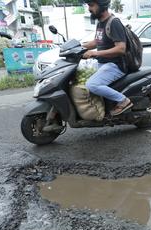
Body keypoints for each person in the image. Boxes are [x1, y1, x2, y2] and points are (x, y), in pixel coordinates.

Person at [43, 0, 132, 132]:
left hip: (115, 65)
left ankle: (123, 101)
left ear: (101, 5)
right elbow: (96, 41)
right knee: (76, 79)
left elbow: (121, 48)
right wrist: (76, 47)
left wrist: (95, 53)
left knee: (92, 85)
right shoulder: (101, 23)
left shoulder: (114, 23)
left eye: (91, 5)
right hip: (102, 63)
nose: (89, 9)